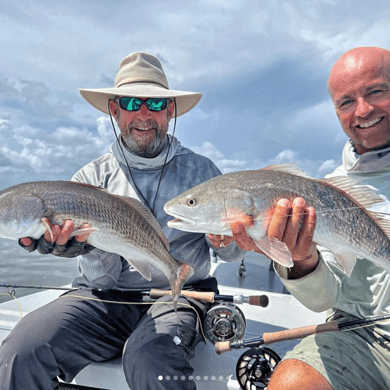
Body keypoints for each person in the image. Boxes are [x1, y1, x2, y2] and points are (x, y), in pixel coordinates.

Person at [0, 52, 245, 390]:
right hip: (103, 299)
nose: (143, 114)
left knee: (149, 357)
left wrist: (227, 240)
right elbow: (103, 277)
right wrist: (81, 248)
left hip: (180, 297)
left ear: (170, 111)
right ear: (114, 110)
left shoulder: (203, 172)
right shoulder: (88, 177)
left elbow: (231, 256)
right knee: (20, 349)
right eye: (132, 102)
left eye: (156, 104)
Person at [232, 46, 390, 390]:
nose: (363, 110)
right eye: (346, 102)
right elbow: (325, 298)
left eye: (376, 91)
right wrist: (301, 260)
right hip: (367, 339)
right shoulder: (329, 191)